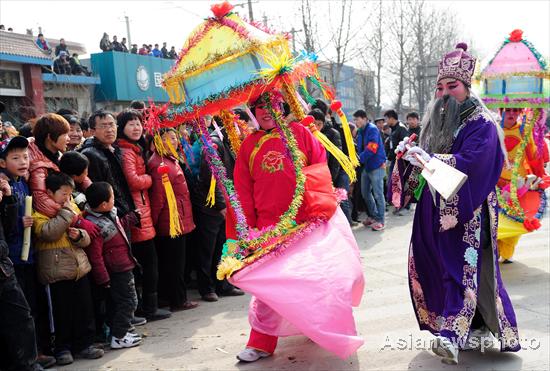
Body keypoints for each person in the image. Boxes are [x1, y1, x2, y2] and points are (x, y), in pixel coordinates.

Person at [394, 43, 520, 364]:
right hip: (435, 207)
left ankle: (451, 335)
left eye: (453, 86)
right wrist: (409, 157)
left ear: (467, 87)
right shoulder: (436, 122)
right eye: (440, 87)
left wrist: (431, 160)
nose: (445, 93)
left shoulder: (483, 124)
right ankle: (474, 326)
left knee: (460, 268)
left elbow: (472, 164)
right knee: (437, 264)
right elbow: (423, 169)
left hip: (467, 208)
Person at [32, 172, 103, 365]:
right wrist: (65, 213)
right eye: (63, 194)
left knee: (83, 309)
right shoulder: (39, 213)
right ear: (49, 193)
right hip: (57, 272)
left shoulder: (71, 207)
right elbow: (48, 233)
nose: (67, 198)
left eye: (69, 194)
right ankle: (63, 348)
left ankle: (85, 344)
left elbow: (86, 238)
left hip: (79, 268)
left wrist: (79, 236)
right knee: (62, 312)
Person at [0, 136, 56, 369]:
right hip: (11, 258)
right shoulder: (5, 184)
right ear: (3, 162)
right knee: (20, 313)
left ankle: (35, 353)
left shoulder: (22, 182)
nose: (23, 162)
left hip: (26, 255)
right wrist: (16, 217)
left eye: (25, 156)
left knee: (31, 307)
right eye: (15, 158)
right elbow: (7, 225)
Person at [116, 110, 171, 321]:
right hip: (138, 212)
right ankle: (149, 308)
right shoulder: (127, 152)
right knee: (148, 263)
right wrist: (150, 178)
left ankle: (147, 306)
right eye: (131, 124)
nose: (136, 127)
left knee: (148, 263)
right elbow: (133, 181)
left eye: (138, 123)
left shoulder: (134, 149)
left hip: (142, 210)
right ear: (122, 128)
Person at [83, 182, 142, 349]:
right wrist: (103, 278)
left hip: (123, 263)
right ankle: (120, 335)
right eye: (112, 198)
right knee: (129, 301)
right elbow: (95, 256)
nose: (114, 201)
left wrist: (130, 219)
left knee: (121, 302)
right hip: (115, 270)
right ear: (103, 204)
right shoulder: (95, 225)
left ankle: (122, 331)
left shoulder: (109, 214)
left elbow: (117, 229)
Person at [148, 128, 198, 312]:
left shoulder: (169, 160)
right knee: (175, 264)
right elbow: (158, 199)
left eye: (175, 137)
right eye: (168, 138)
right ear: (158, 141)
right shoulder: (160, 165)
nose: (174, 141)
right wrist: (152, 224)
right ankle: (178, 300)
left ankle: (172, 298)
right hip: (171, 222)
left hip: (179, 218)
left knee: (175, 262)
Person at [0, 173, 44, 371]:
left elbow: (8, 230)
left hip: (4, 269)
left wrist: (8, 198)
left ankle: (28, 364)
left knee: (21, 316)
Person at [79, 110, 136, 222]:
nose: (110, 130)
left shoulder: (115, 150)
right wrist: (118, 212)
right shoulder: (90, 154)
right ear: (92, 131)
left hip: (122, 214)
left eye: (111, 124)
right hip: (109, 217)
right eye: (104, 126)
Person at [28, 114, 71, 219]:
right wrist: (73, 216)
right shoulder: (37, 164)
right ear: (50, 137)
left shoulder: (58, 156)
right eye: (65, 134)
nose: (68, 139)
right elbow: (41, 201)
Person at [354, 109, 386, 231]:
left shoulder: (372, 129)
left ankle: (381, 220)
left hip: (376, 166)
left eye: (357, 119)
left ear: (364, 118)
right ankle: (373, 216)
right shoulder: (361, 131)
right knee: (365, 193)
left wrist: (358, 159)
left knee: (378, 194)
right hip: (366, 166)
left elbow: (372, 147)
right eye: (355, 120)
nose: (356, 122)